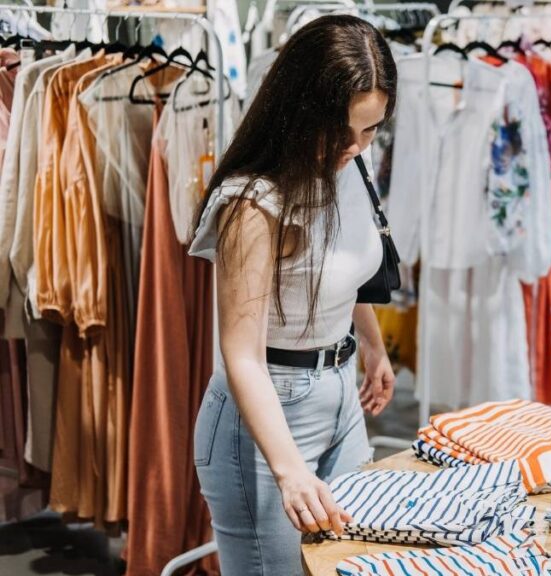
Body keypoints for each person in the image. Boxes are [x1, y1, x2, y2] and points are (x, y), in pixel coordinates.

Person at [188, 15, 398, 575]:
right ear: (302, 111)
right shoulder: (252, 203)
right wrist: (286, 468)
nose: (357, 147)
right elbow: (241, 354)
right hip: (265, 417)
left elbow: (337, 264)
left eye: (372, 129)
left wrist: (371, 343)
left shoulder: (349, 162)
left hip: (341, 397)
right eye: (346, 131)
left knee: (351, 564)